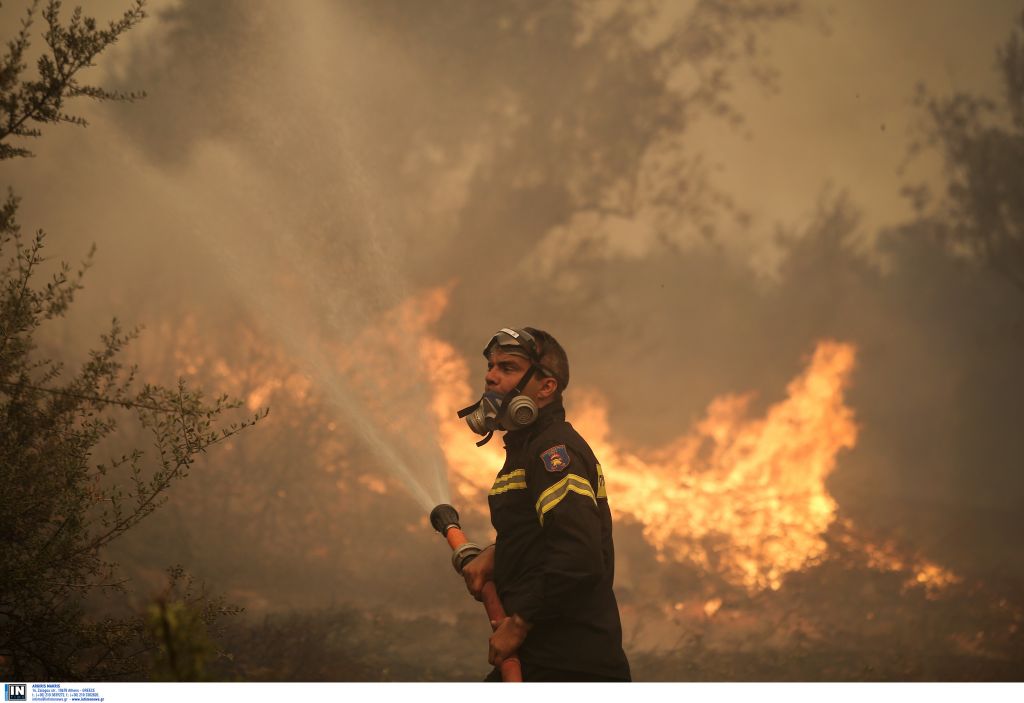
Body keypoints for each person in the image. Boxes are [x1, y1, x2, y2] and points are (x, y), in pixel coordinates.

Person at [457, 327, 631, 682]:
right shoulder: (526, 449)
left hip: (570, 664)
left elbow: (578, 556)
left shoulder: (554, 452)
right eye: (491, 366)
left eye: (508, 368)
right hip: (542, 658)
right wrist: (499, 552)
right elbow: (541, 535)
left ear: (546, 387)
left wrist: (519, 624)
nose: (490, 376)